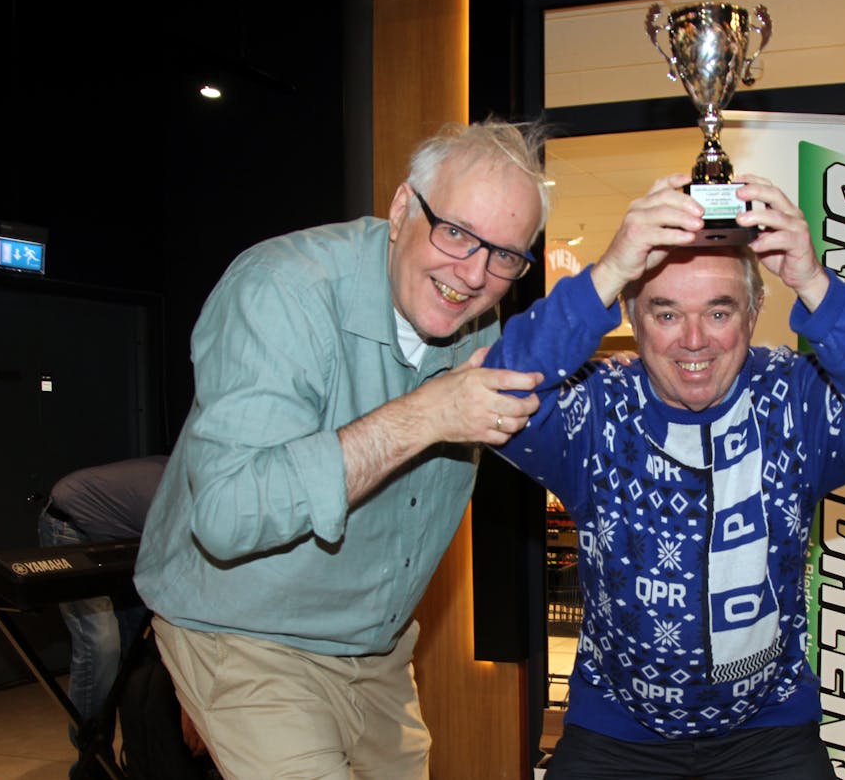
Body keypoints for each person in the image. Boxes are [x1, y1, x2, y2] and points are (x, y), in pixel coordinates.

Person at [485, 173, 845, 779]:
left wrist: (814, 282)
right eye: (666, 312)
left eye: (719, 311)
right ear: (631, 315)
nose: (694, 340)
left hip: (769, 733)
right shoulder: (595, 408)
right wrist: (608, 272)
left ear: (754, 312)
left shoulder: (794, 397)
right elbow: (492, 394)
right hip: (615, 734)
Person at [132, 120, 549, 779]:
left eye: (505, 256)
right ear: (403, 207)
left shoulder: (473, 316)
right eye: (456, 232)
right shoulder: (282, 288)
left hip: (376, 648)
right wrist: (427, 415)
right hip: (245, 631)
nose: (473, 274)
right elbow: (227, 512)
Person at [37, 455, 168, 775]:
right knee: (102, 644)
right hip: (70, 526)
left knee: (139, 648)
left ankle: (140, 755)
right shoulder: (177, 501)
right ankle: (92, 760)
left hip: (124, 536)